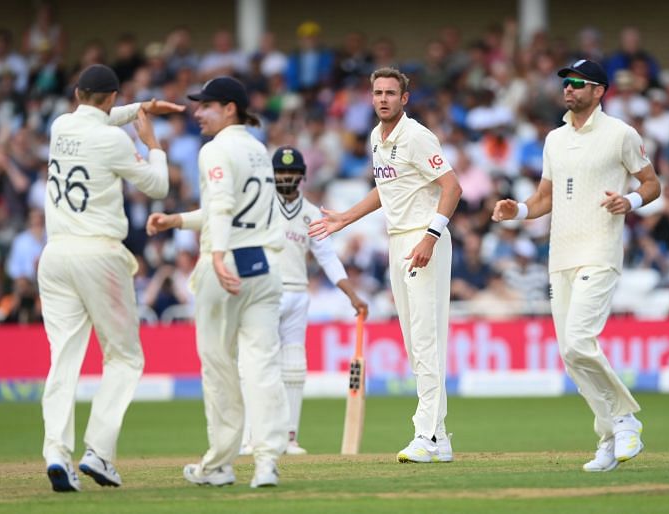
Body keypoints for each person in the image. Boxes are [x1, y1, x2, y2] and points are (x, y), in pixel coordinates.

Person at [492, 59, 661, 472]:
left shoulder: (621, 133)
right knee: (571, 355)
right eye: (566, 83)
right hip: (560, 255)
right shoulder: (554, 139)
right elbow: (545, 198)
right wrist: (517, 211)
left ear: (599, 90)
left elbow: (653, 183)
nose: (568, 89)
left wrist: (631, 201)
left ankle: (624, 420)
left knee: (579, 341)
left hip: (600, 250)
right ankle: (608, 438)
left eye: (577, 83)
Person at [39, 64, 181, 492]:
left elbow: (96, 116)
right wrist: (152, 142)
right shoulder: (114, 139)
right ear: (112, 98)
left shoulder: (60, 125)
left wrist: (138, 106)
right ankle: (98, 452)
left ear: (79, 92)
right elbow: (157, 186)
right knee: (124, 357)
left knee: (63, 358)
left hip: (55, 255)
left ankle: (55, 454)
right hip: (98, 254)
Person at [309, 67, 462, 463]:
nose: (382, 99)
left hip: (422, 237)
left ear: (404, 99)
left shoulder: (416, 136)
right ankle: (440, 436)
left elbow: (452, 186)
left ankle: (425, 435)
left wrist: (430, 235)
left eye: (391, 93)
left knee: (426, 339)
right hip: (398, 240)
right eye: (377, 92)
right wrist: (345, 217)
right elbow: (387, 187)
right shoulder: (377, 137)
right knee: (415, 343)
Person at [145, 76, 288, 488]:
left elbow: (225, 206)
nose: (196, 112)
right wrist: (179, 220)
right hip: (264, 263)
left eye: (205, 106)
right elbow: (228, 208)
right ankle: (266, 462)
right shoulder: (259, 150)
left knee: (219, 368)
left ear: (230, 108)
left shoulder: (215, 150)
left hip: (225, 265)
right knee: (261, 365)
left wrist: (220, 255)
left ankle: (221, 465)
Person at [239, 146, 368, 456]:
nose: (286, 177)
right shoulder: (259, 206)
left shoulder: (311, 213)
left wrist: (352, 294)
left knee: (294, 367)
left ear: (301, 177)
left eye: (292, 173)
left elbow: (327, 257)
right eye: (281, 172)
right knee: (259, 364)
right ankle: (251, 437)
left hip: (298, 295)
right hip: (264, 292)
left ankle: (288, 437)